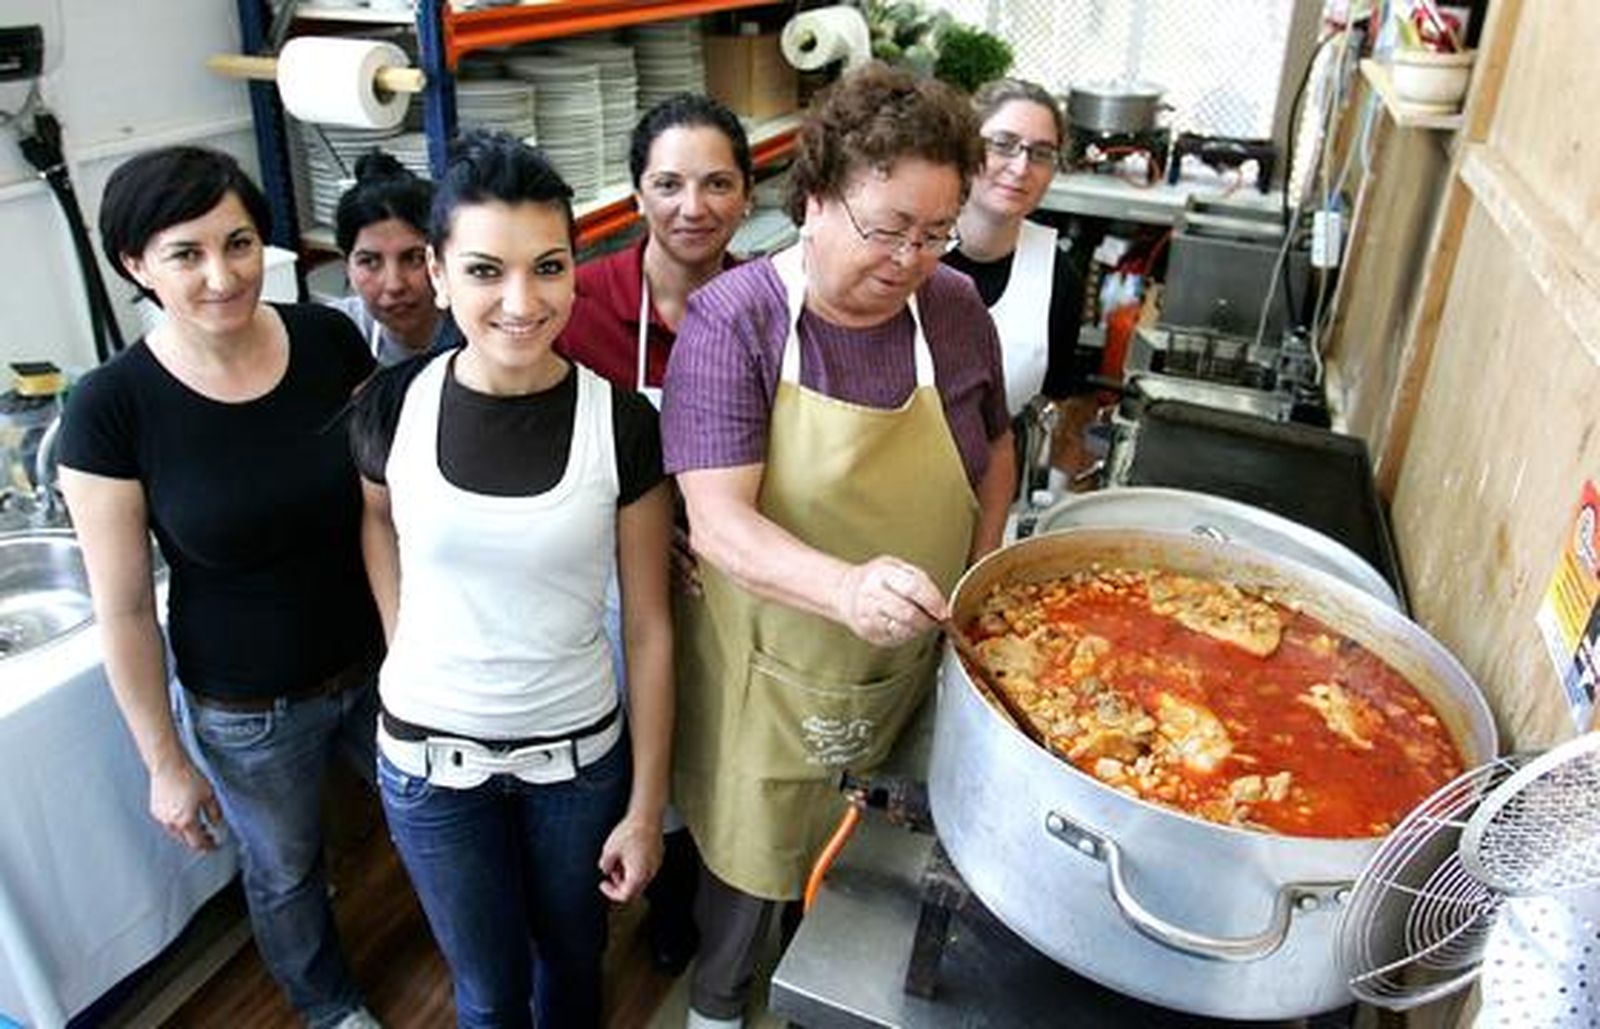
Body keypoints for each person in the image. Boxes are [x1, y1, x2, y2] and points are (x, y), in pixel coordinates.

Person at [660, 64, 1017, 1027]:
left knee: (880, 884)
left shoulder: (952, 309)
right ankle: (717, 1009)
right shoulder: (736, 322)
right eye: (886, 227)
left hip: (912, 660)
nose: (910, 257)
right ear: (814, 201)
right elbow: (720, 522)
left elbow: (996, 449)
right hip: (774, 673)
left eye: (935, 232)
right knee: (746, 890)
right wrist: (849, 587)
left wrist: (977, 581)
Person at [351, 130, 674, 1029]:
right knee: (487, 993)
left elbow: (649, 625)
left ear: (577, 269)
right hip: (427, 765)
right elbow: (377, 518)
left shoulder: (621, 424)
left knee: (572, 965)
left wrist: (647, 808)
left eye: (550, 267)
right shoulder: (391, 405)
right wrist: (400, 634)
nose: (522, 302)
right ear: (440, 274)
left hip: (575, 764)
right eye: (487, 271)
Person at [58, 146, 384, 1029]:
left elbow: (379, 509)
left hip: (377, 658)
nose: (221, 274)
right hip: (249, 707)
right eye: (186, 254)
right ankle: (328, 1007)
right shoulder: (109, 407)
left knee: (437, 824)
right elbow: (123, 609)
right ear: (136, 265)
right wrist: (166, 764)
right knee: (283, 867)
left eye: (238, 243)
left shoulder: (325, 337)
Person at [555, 91, 753, 976]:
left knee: (705, 748)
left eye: (717, 183)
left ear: (748, 194)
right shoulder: (581, 301)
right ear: (636, 192)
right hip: (601, 579)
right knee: (611, 753)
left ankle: (678, 901)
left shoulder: (766, 304)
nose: (692, 206)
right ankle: (587, 911)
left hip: (728, 576)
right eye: (668, 183)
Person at [944, 77, 1095, 418]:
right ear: (966, 147)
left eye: (1042, 154)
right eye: (1002, 144)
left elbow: (1053, 403)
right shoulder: (912, 250)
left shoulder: (1058, 277)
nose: (1021, 167)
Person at [331, 151, 456, 365]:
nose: (394, 285)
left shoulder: (481, 331)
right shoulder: (333, 333)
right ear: (347, 266)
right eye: (370, 262)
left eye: (414, 258)